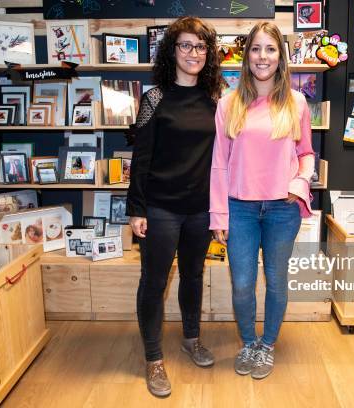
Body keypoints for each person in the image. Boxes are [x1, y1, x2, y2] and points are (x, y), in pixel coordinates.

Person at [210, 21, 315, 380]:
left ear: (280, 56)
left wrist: (298, 184)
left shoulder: (297, 102)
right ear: (246, 55)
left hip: (282, 210)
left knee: (276, 280)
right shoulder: (228, 103)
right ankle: (248, 343)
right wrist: (218, 215)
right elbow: (218, 164)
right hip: (239, 209)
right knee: (241, 283)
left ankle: (267, 345)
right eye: (256, 48)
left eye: (270, 49)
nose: (263, 56)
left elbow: (307, 154)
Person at [126, 16, 222, 397]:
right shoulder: (154, 99)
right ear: (172, 51)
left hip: (200, 208)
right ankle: (153, 358)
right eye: (185, 45)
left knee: (194, 276)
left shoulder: (216, 99)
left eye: (200, 47)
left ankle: (191, 339)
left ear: (207, 53)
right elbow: (141, 157)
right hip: (161, 207)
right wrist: (137, 209)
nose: (193, 53)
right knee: (154, 281)